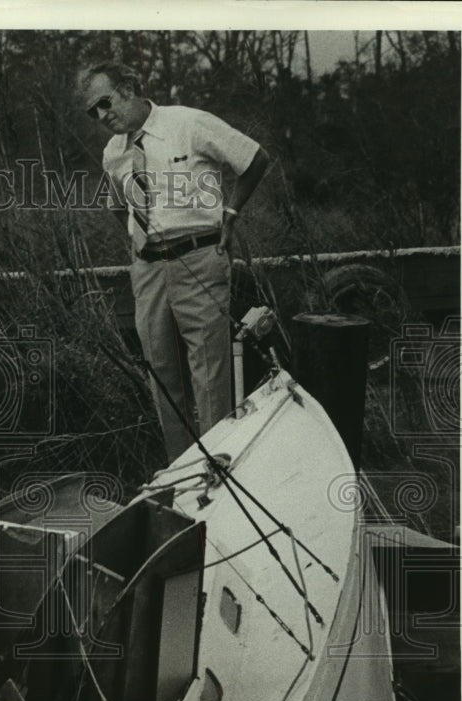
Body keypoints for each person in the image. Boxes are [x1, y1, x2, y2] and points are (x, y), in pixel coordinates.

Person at [82, 61, 270, 461]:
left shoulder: (189, 124)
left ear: (130, 87)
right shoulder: (113, 154)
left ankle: (217, 472)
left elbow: (254, 159)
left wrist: (231, 215)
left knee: (209, 374)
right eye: (92, 111)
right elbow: (118, 206)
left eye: (105, 102)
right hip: (148, 271)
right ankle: (182, 473)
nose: (101, 115)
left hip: (199, 259)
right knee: (162, 375)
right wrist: (140, 236)